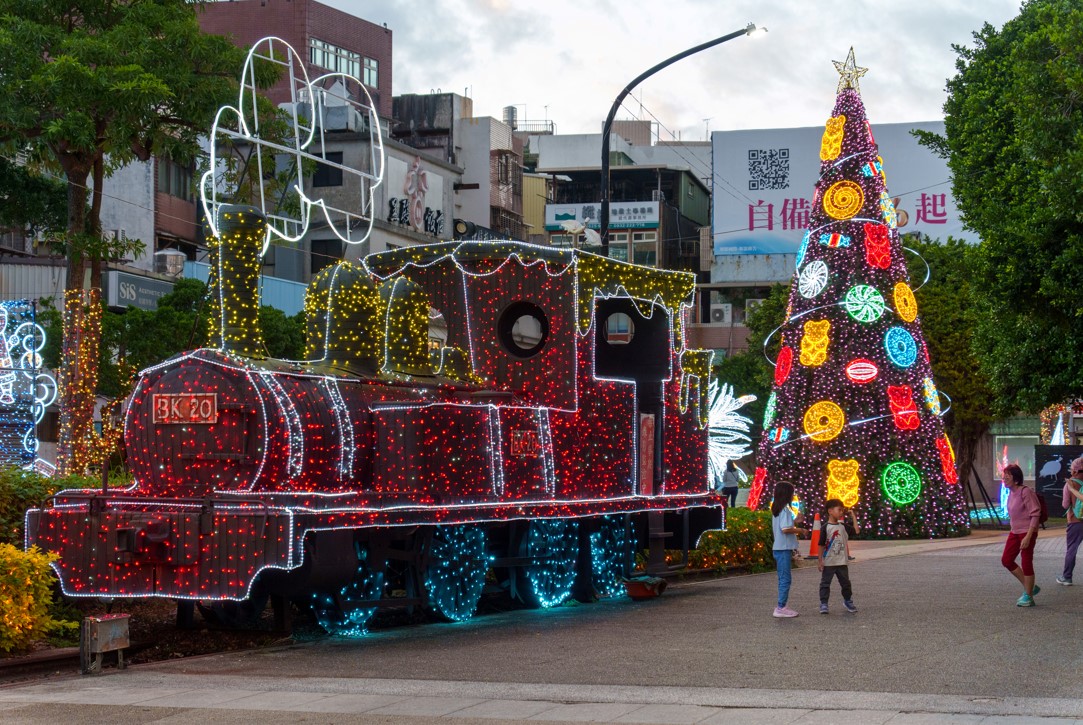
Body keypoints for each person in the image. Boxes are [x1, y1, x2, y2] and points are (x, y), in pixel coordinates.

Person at [1001, 463, 1041, 606]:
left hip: (1027, 532)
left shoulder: (1026, 492)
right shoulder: (1011, 494)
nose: (1004, 477)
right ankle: (1029, 586)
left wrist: (1029, 536)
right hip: (1015, 532)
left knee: (1026, 561)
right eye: (1004, 473)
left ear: (1016, 479)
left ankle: (1029, 596)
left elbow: (1035, 514)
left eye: (1008, 474)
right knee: (1006, 560)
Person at [771, 480, 807, 618]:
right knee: (785, 579)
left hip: (779, 548)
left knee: (782, 578)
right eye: (792, 493)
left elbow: (783, 526)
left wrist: (795, 522)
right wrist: (801, 530)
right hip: (783, 549)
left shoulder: (777, 509)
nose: (793, 496)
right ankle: (781, 607)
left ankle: (781, 606)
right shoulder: (785, 509)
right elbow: (785, 529)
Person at [818, 498, 860, 614]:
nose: (841, 512)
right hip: (829, 562)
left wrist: (853, 517)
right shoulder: (825, 527)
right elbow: (821, 544)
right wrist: (820, 560)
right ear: (830, 511)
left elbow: (856, 531)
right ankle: (824, 603)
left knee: (846, 583)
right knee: (825, 583)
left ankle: (848, 600)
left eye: (842, 510)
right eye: (839, 510)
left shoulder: (843, 526)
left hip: (842, 561)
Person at [1060, 457, 1083, 585]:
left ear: (1075, 471)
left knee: (1072, 549)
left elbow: (1065, 504)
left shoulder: (1070, 484)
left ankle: (1067, 577)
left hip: (1075, 521)